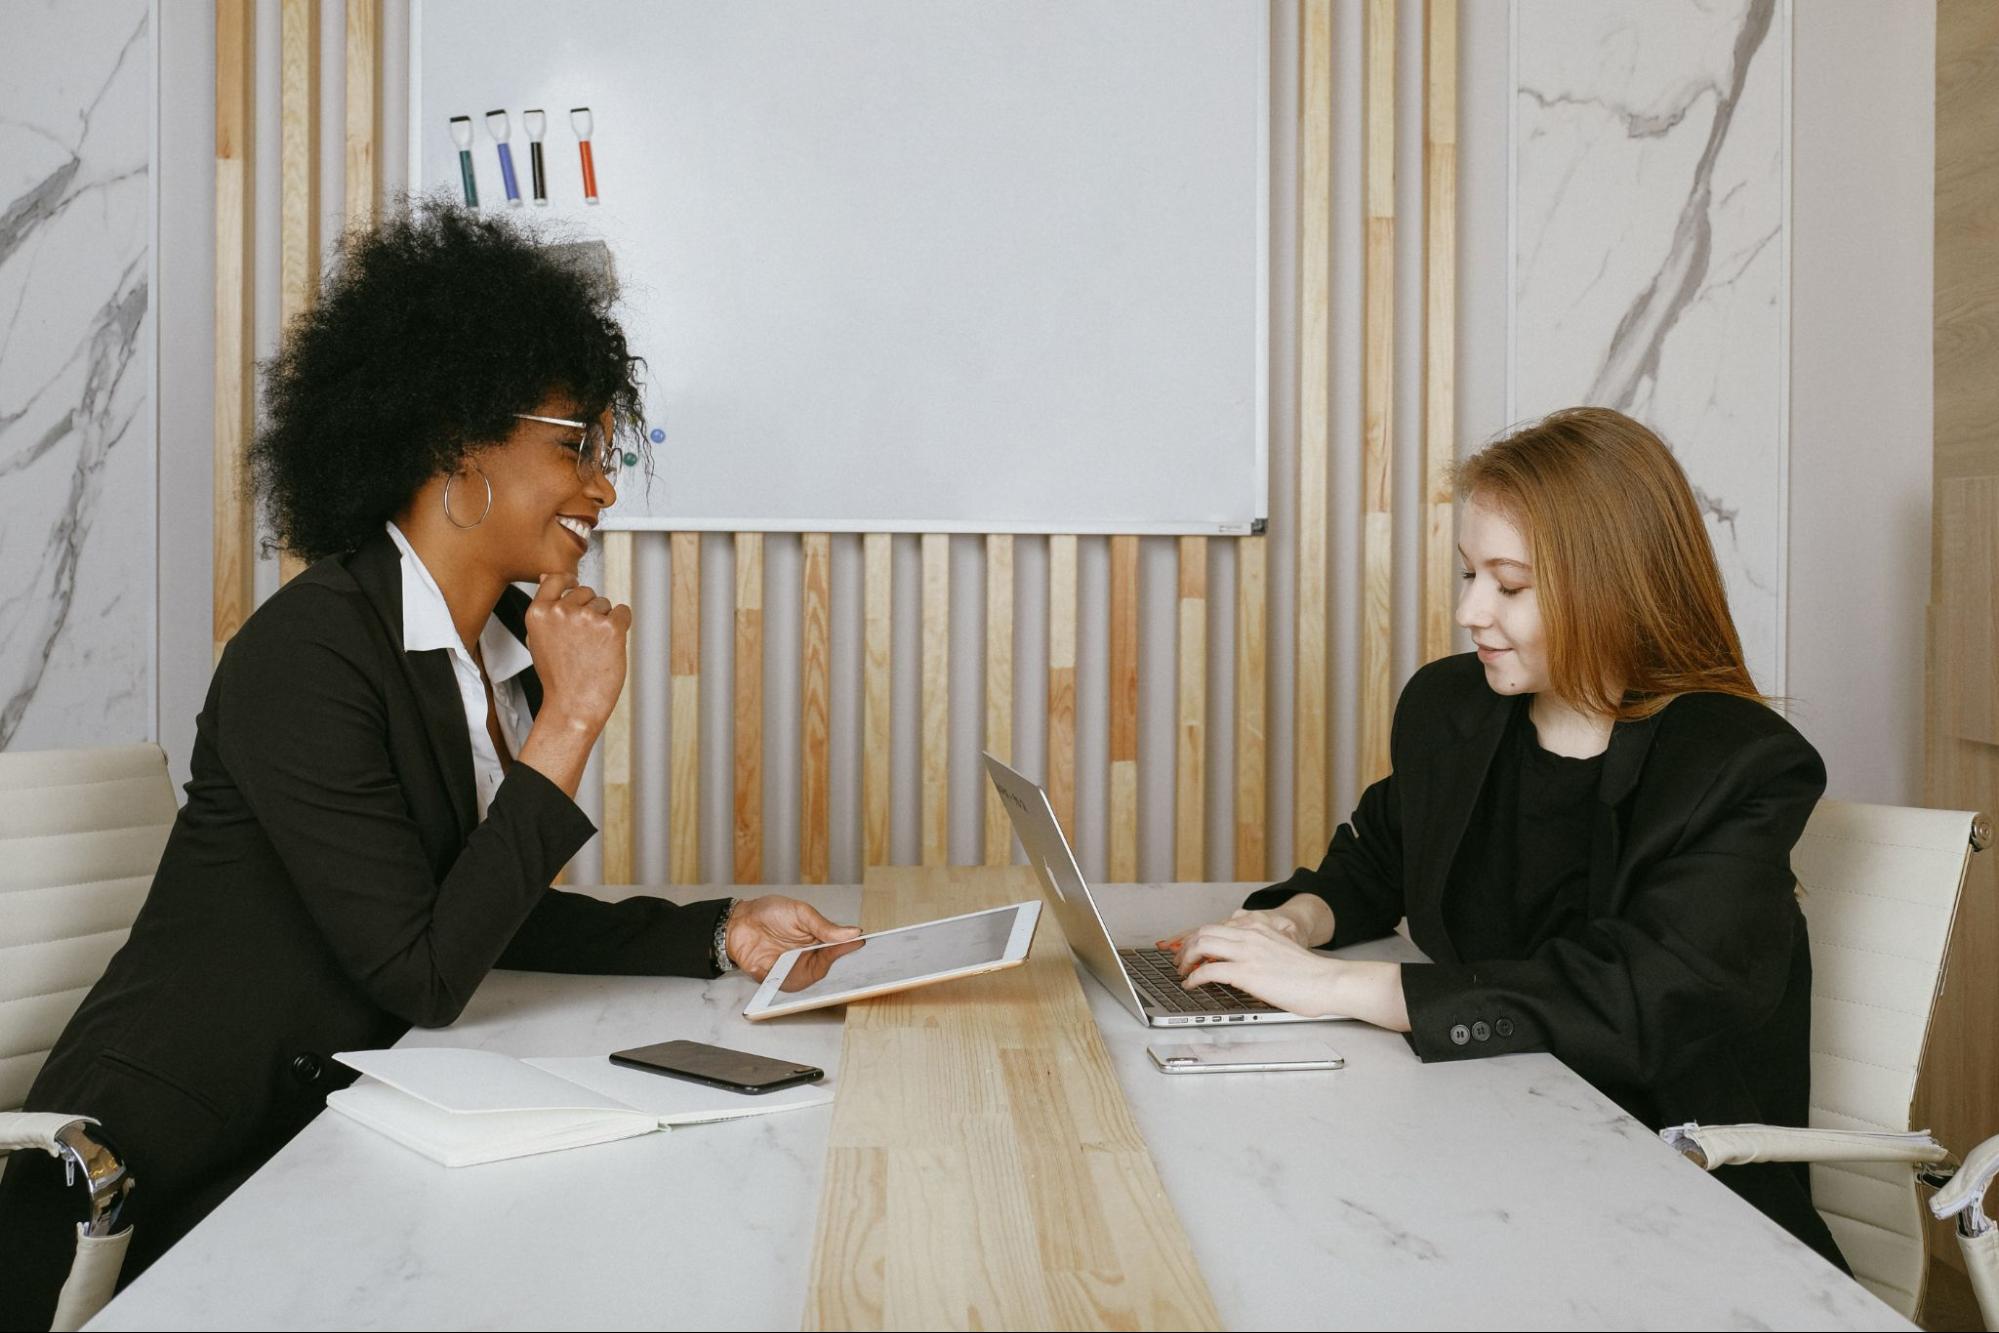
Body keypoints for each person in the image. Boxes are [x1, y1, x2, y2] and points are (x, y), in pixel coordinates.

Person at [0, 202, 859, 1329]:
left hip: (324, 1140)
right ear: (457, 439)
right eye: (574, 446)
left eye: (609, 450)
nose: (604, 485)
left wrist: (719, 926)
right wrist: (571, 721)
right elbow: (422, 969)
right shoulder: (309, 651)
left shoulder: (477, 652)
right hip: (160, 1179)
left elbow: (473, 911)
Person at [1168, 407, 1844, 1271]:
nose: (1467, 610)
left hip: (1675, 1193)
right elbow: (1382, 853)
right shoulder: (1454, 705)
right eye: (1468, 574)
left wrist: (1337, 986)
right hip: (1484, 1130)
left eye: (1509, 585)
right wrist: (1294, 923)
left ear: (1616, 583)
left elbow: (1635, 999)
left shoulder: (1739, 762)